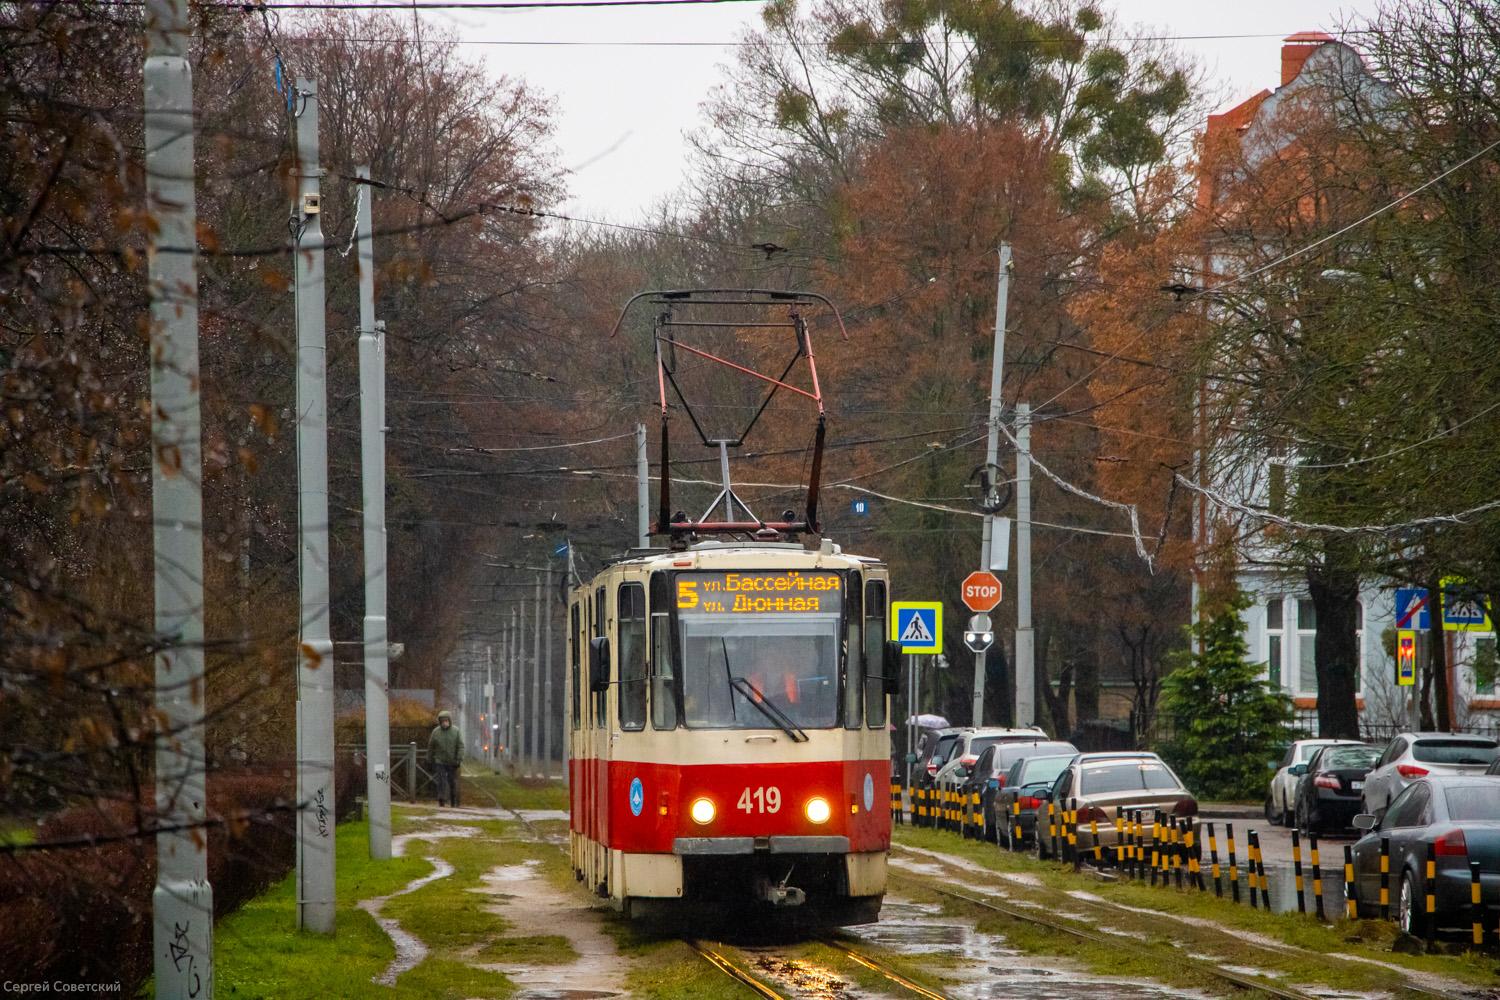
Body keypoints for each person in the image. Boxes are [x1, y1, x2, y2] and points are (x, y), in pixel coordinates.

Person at [427, 710, 464, 807]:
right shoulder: (436, 732)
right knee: (441, 781)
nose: (445, 723)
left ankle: (453, 800)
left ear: (450, 721)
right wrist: (429, 760)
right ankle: (441, 799)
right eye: (443, 721)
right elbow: (431, 747)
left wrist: (459, 759)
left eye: (446, 721)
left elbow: (460, 746)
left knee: (452, 781)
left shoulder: (455, 731)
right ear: (440, 722)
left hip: (452, 762)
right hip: (440, 761)